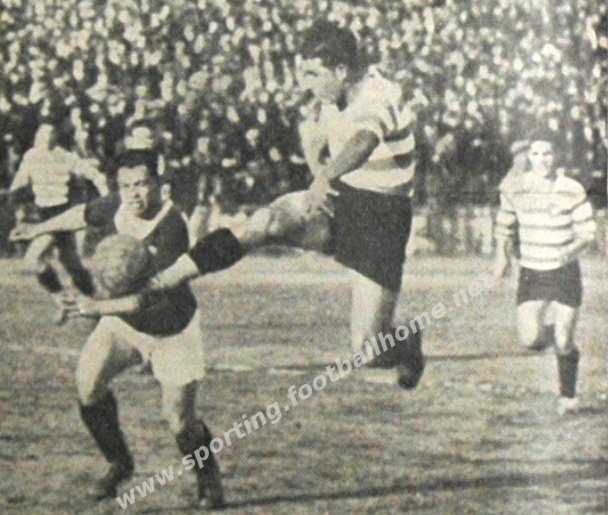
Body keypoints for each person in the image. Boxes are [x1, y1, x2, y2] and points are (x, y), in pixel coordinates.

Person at [146, 20, 425, 389]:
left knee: (369, 350)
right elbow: (319, 142)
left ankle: (407, 342)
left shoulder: (379, 93)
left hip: (382, 219)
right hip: (342, 199)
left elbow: (362, 142)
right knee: (264, 222)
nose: (306, 84)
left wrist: (323, 178)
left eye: (313, 74)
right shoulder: (332, 97)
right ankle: (168, 278)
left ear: (341, 70)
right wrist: (318, 167)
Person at [10, 149, 225, 508]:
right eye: (126, 185)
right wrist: (38, 228)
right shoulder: (118, 206)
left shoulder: (172, 226)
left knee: (179, 422)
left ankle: (208, 477)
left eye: (141, 184)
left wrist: (96, 307)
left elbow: (151, 296)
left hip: (172, 329)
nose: (133, 193)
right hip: (124, 324)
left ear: (158, 184)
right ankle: (119, 463)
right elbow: (82, 214)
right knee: (88, 386)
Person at [494, 131, 596, 415]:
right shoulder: (516, 188)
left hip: (564, 272)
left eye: (547, 154)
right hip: (532, 272)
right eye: (536, 154)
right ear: (529, 156)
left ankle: (568, 396)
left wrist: (572, 249)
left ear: (557, 156)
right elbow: (504, 225)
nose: (541, 160)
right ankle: (562, 337)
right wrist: (502, 256)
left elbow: (588, 232)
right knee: (531, 339)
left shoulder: (571, 189)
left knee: (564, 340)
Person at [4, 123, 108, 317]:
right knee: (69, 262)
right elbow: (20, 182)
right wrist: (10, 194)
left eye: (48, 134)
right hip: (43, 213)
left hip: (61, 213)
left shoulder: (66, 157)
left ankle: (65, 297)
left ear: (55, 137)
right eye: (40, 134)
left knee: (33, 258)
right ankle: (92, 299)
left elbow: (94, 174)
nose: (43, 138)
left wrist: (104, 192)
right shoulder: (31, 156)